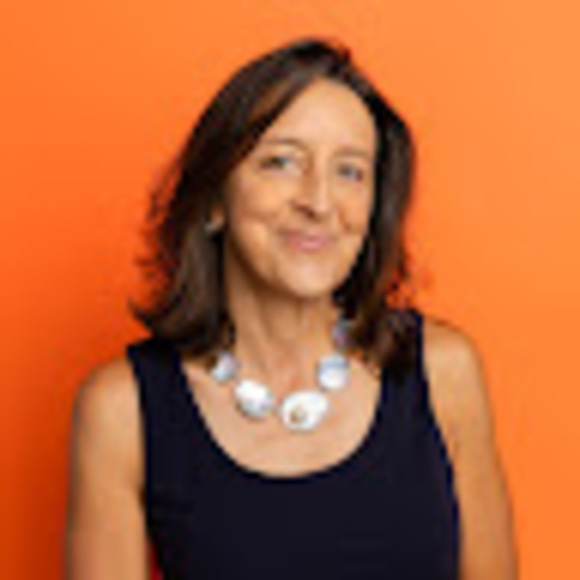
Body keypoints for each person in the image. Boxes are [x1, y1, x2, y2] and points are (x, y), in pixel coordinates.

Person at [65, 37, 518, 579]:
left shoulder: (444, 374)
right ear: (213, 199)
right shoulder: (123, 411)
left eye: (349, 171)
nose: (319, 202)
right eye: (280, 162)